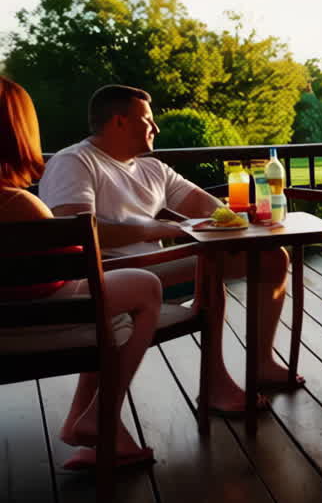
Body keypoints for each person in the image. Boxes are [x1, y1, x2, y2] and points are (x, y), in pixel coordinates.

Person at [39, 85, 299, 416]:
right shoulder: (75, 162)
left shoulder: (152, 168)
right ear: (119, 122)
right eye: (148, 119)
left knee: (271, 258)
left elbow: (204, 206)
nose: (156, 128)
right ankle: (215, 384)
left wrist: (240, 216)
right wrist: (159, 228)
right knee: (208, 264)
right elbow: (74, 232)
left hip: (156, 266)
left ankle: (261, 362)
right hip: (107, 274)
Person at [0, 77, 162, 469]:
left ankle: (83, 419)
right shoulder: (18, 205)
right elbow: (73, 268)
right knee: (144, 289)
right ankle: (101, 413)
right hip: (25, 323)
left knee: (110, 299)